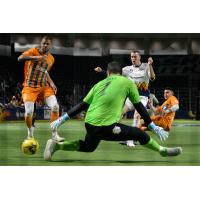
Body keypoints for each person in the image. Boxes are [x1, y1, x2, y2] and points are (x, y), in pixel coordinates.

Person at [44, 61, 182, 161]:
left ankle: (56, 146)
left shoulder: (98, 85)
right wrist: (152, 126)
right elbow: (139, 106)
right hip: (107, 126)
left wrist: (61, 119)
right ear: (121, 73)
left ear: (108, 73)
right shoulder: (128, 83)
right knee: (139, 134)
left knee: (88, 146)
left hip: (89, 124)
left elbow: (81, 105)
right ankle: (162, 151)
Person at [95, 50, 155, 147]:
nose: (133, 59)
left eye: (135, 57)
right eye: (132, 57)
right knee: (120, 113)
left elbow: (152, 77)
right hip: (131, 96)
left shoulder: (146, 66)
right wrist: (101, 71)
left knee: (136, 115)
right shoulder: (127, 69)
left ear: (139, 57)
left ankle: (132, 139)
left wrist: (150, 65)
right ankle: (111, 130)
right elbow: (114, 75)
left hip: (142, 97)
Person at [18, 36, 64, 142]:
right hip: (29, 87)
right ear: (41, 43)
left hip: (44, 87)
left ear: (50, 45)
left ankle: (54, 134)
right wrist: (36, 58)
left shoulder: (51, 59)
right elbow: (20, 58)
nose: (45, 45)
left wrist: (51, 83)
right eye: (43, 43)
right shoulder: (33, 51)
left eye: (47, 44)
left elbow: (45, 71)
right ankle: (30, 133)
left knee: (55, 107)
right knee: (29, 112)